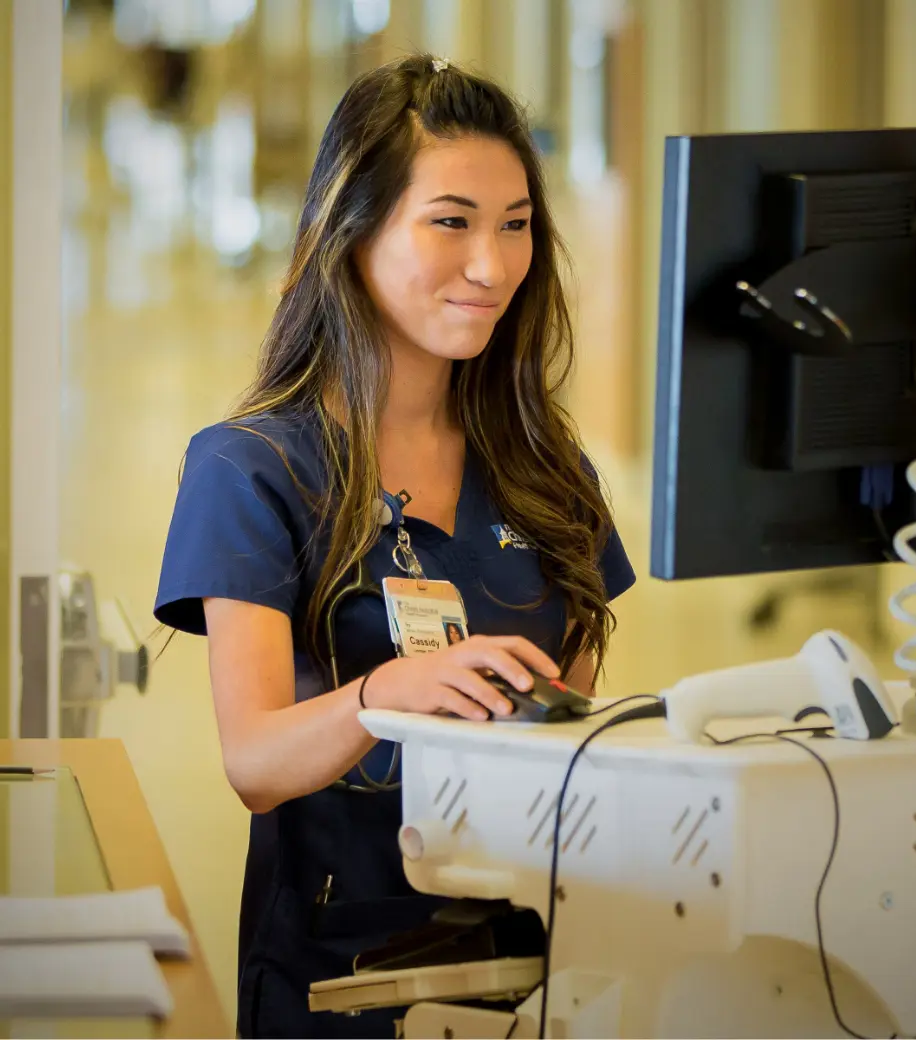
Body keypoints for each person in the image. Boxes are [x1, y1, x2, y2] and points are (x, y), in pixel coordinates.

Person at [153, 54, 635, 1038]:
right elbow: (255, 759)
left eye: (515, 225)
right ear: (354, 231)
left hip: (543, 963)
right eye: (451, 221)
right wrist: (383, 697)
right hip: (345, 973)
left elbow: (573, 721)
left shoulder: (545, 472)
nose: (492, 265)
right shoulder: (253, 469)